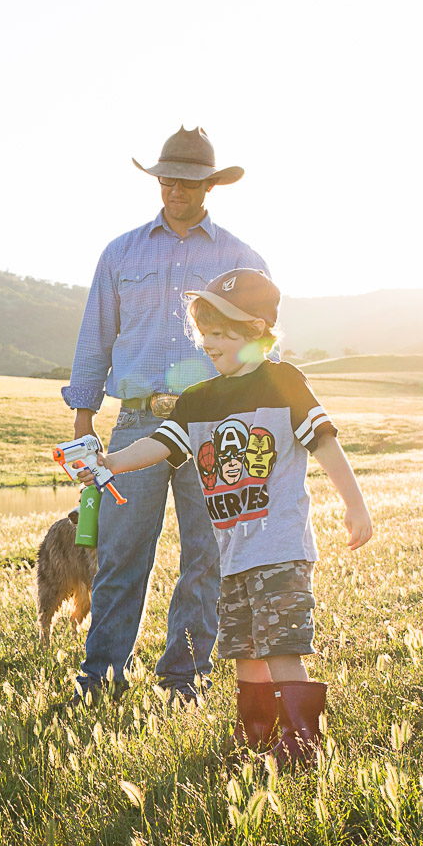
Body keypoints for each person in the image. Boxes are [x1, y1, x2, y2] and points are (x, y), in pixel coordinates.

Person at [81, 269, 372, 764]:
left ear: (257, 332)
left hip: (279, 546)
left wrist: (355, 503)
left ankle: (303, 743)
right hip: (231, 553)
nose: (207, 343)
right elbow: (160, 443)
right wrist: (112, 461)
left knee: (281, 646)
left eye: (220, 334)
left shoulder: (283, 381)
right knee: (242, 648)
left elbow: (324, 440)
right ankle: (256, 732)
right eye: (204, 333)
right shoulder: (199, 400)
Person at [63, 126, 272, 704]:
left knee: (206, 557)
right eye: (166, 178)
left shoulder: (240, 259)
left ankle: (183, 677)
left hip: (215, 426)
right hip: (136, 423)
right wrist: (83, 418)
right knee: (121, 554)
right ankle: (101, 676)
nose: (175, 188)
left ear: (210, 185)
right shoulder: (121, 252)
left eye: (188, 179)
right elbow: (94, 337)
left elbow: (261, 345)